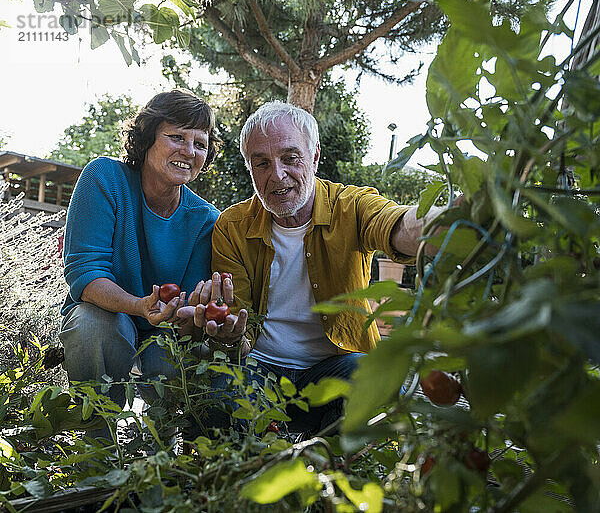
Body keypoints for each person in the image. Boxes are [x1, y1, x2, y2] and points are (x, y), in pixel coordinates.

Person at [179, 101, 440, 435]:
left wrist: (444, 223)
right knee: (212, 392)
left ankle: (331, 474)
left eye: (290, 158)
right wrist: (229, 338)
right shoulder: (233, 226)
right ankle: (223, 480)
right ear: (250, 168)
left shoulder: (351, 206)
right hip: (259, 369)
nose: (277, 175)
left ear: (315, 156)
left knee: (375, 381)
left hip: (335, 368)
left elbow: (396, 224)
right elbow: (238, 330)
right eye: (261, 163)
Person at [58, 90, 246, 436]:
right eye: (176, 137)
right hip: (107, 313)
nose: (189, 152)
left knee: (180, 361)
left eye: (200, 144)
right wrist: (139, 306)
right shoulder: (104, 178)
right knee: (94, 325)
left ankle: (165, 455)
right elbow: (85, 274)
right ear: (147, 138)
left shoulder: (205, 219)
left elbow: (184, 320)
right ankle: (97, 447)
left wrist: (199, 312)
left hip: (164, 332)